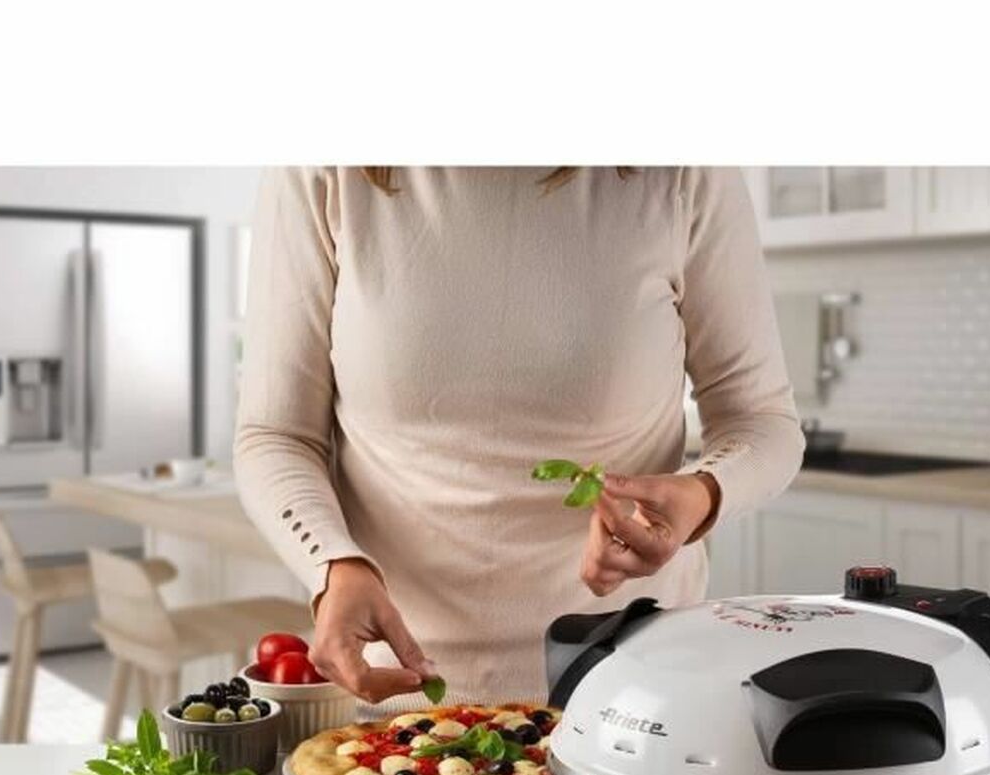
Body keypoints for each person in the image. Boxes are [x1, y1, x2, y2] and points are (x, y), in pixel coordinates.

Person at [233, 166, 803, 707]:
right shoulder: (324, 168)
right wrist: (332, 565)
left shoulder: (683, 170)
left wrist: (702, 494)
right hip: (392, 701)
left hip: (630, 700)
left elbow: (761, 419)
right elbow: (276, 433)